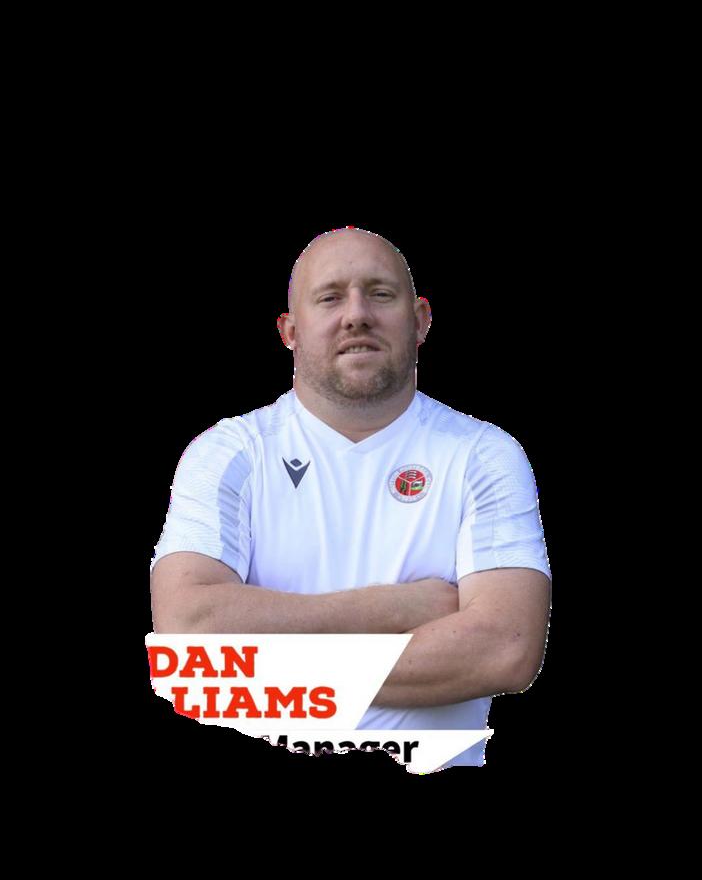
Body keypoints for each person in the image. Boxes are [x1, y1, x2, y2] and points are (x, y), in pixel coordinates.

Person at [150, 226, 552, 767]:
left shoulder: (483, 455)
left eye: (380, 294)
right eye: (330, 297)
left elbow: (506, 649)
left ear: (421, 320)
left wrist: (256, 661)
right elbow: (186, 630)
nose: (357, 315)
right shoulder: (228, 454)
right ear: (290, 330)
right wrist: (395, 607)